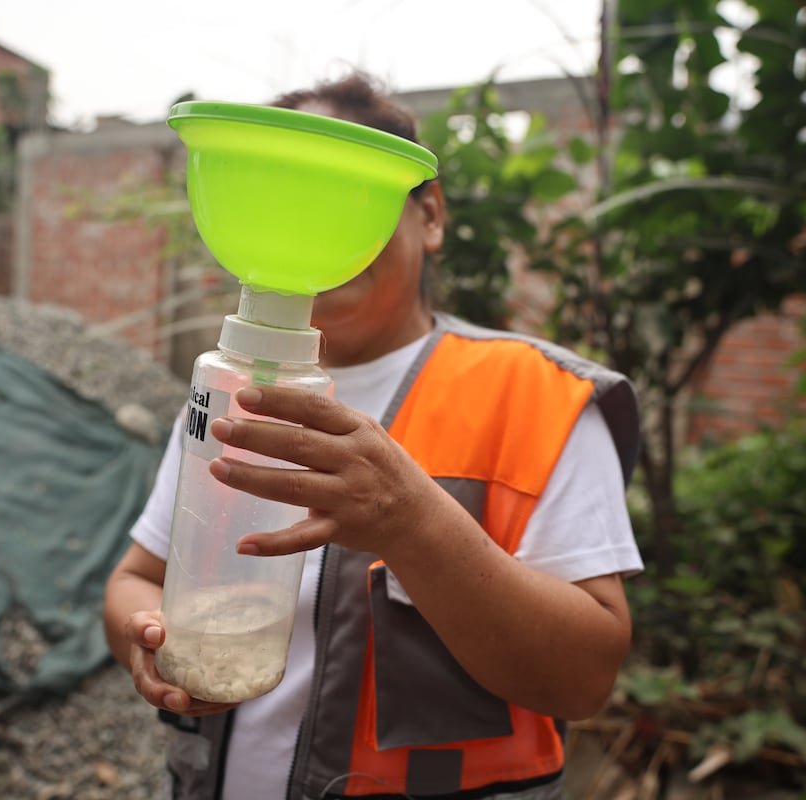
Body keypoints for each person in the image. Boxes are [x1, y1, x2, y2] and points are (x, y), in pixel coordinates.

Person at [103, 72, 644, 800]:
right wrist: (148, 639)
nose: (307, 230)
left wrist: (413, 522)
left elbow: (584, 679)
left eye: (343, 199)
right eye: (280, 200)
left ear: (430, 216)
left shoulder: (539, 397)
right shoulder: (227, 390)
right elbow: (136, 579)